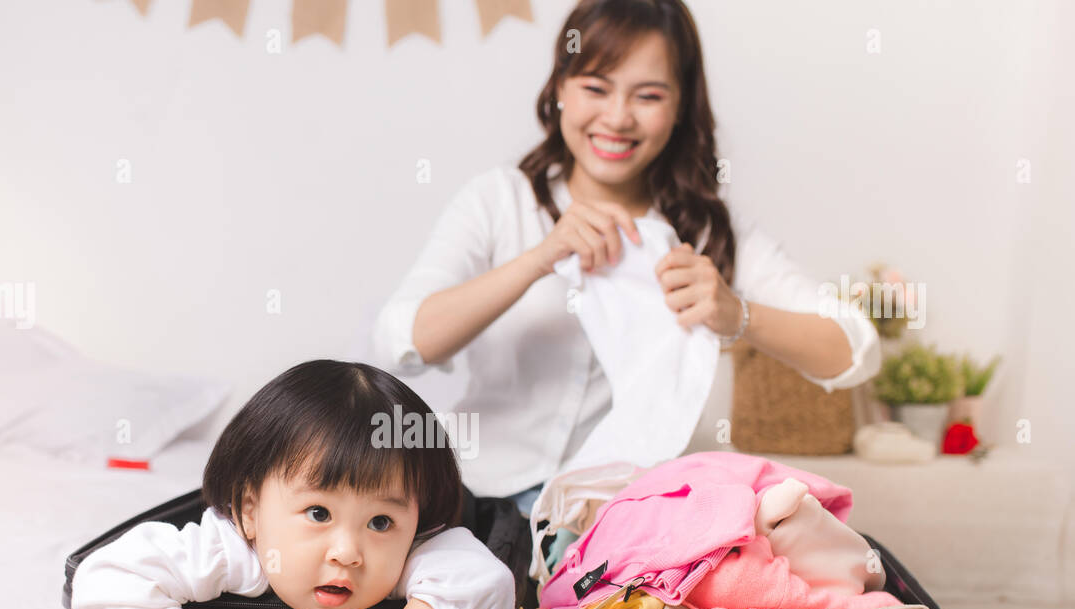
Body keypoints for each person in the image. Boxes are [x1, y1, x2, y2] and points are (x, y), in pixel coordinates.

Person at [371, 0, 879, 519]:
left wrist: (736, 315)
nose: (617, 117)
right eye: (595, 87)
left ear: (681, 105)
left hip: (623, 521)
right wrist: (538, 260)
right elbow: (400, 340)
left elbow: (855, 351)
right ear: (560, 90)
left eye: (649, 95)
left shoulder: (708, 234)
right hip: (479, 499)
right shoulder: (500, 201)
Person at [70, 360, 516, 609]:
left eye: (381, 522)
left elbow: (485, 585)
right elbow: (106, 578)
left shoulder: (413, 556)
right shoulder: (230, 547)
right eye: (318, 512)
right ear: (250, 512)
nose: (347, 553)